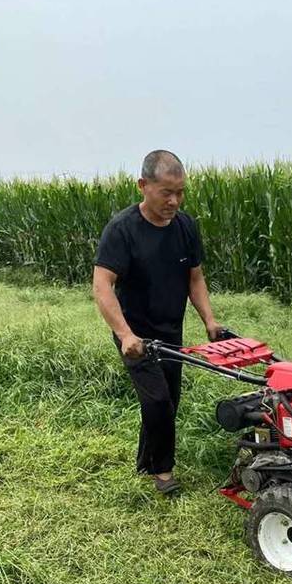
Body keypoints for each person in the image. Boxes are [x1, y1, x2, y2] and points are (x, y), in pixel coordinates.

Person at [92, 150, 223, 494]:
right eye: (166, 192)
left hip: (171, 331)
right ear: (143, 186)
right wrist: (124, 334)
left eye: (180, 192)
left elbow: (195, 278)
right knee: (157, 402)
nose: (174, 200)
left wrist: (209, 321)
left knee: (169, 401)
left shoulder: (185, 227)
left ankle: (145, 460)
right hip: (135, 334)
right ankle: (163, 473)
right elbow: (102, 285)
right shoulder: (122, 230)